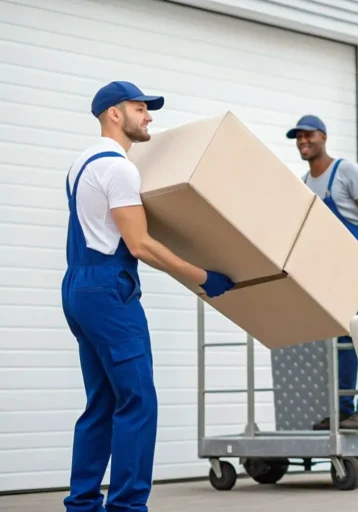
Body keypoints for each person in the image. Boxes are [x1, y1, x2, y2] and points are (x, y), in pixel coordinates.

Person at [62, 81, 235, 512]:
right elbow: (139, 244)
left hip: (79, 287)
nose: (149, 117)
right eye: (140, 109)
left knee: (102, 402)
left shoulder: (80, 163)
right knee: (138, 401)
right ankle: (127, 507)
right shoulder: (119, 169)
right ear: (114, 114)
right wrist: (203, 277)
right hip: (108, 290)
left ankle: (82, 504)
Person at [287, 114, 358, 431]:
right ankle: (344, 410)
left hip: (357, 267)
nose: (303, 141)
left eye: (309, 135)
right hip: (332, 273)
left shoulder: (345, 172)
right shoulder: (305, 184)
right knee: (341, 340)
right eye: (298, 137)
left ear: (324, 137)